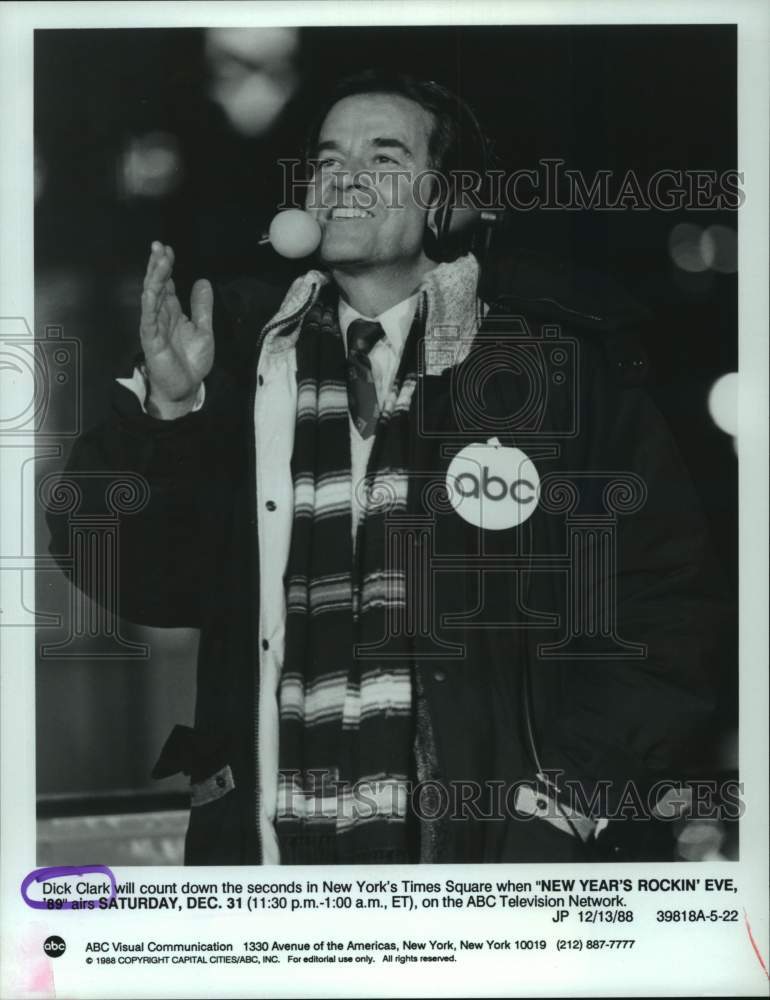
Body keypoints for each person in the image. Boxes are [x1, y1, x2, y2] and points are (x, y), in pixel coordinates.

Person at [48, 71, 725, 865]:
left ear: (449, 200)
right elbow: (132, 574)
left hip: (476, 869)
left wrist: (566, 802)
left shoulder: (553, 378)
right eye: (328, 159)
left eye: (384, 155)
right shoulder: (235, 369)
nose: (343, 178)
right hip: (271, 869)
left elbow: (667, 607)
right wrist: (168, 415)